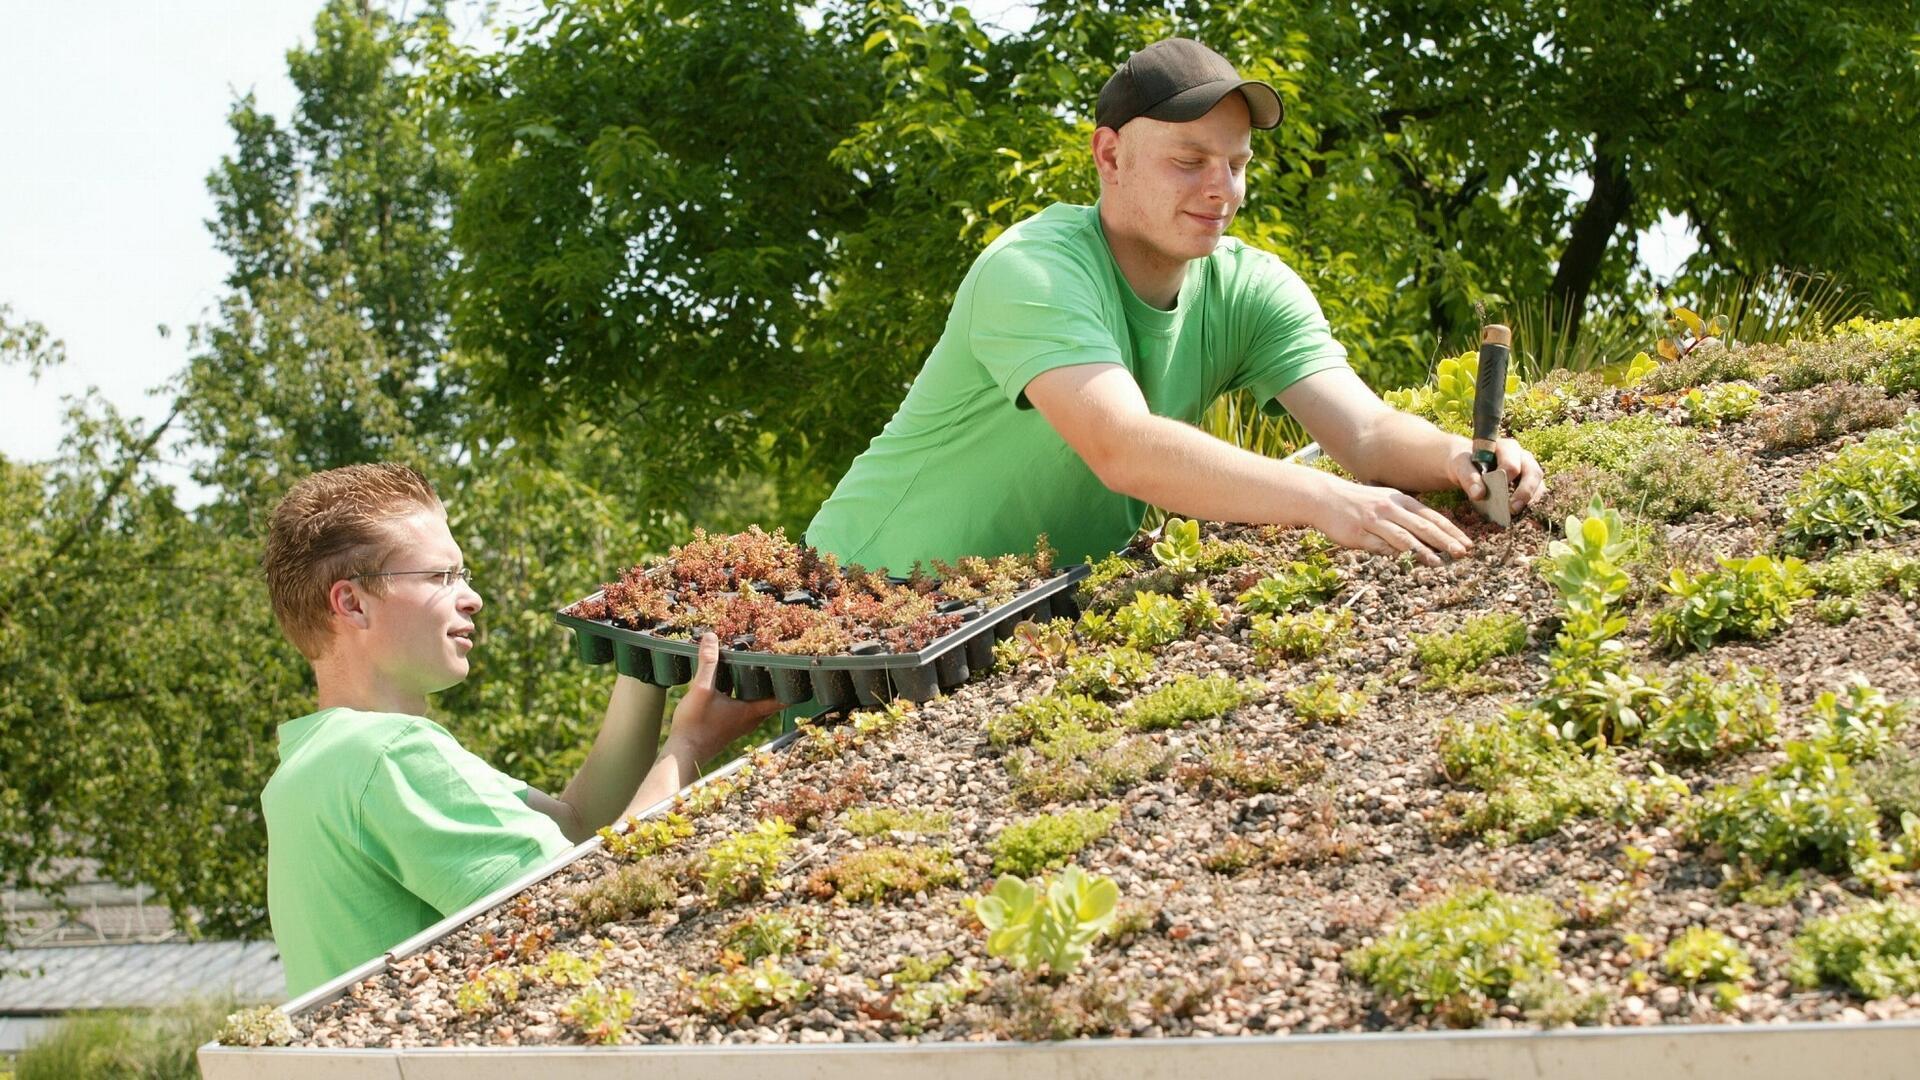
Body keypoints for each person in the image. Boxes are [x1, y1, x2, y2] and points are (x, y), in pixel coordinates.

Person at [806, 37, 1544, 572]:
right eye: (1189, 162)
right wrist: (1326, 501)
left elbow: (1368, 432)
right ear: (1109, 156)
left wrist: (1455, 456)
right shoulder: (1032, 268)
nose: (1221, 190)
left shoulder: (1250, 288)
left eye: (1237, 164)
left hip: (1002, 606)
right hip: (858, 584)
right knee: (703, 755)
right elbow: (1121, 446)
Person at [259, 462, 781, 997]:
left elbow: (577, 826)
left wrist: (644, 661)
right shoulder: (391, 756)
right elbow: (593, 903)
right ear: (351, 603)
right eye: (441, 576)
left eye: (464, 575)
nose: (471, 597)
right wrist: (690, 745)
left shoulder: (312, 765)